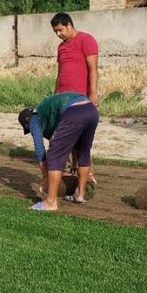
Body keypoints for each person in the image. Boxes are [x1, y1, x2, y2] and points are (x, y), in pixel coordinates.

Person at [18, 91, 99, 211]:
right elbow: (74, 144)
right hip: (91, 110)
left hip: (74, 112)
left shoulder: (34, 118)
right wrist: (75, 165)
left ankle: (50, 202)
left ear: (27, 122)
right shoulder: (49, 114)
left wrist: (45, 176)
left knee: (53, 155)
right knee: (84, 151)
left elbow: (39, 149)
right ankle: (80, 195)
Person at [50, 12, 99, 182]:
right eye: (55, 32)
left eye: (60, 30)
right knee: (68, 135)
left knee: (82, 137)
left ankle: (86, 170)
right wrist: (55, 97)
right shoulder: (61, 47)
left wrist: (93, 94)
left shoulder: (87, 40)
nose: (58, 34)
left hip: (81, 99)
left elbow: (93, 68)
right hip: (63, 99)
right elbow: (60, 73)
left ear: (69, 25)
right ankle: (74, 166)